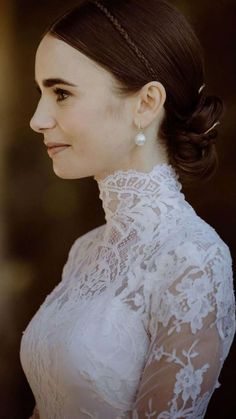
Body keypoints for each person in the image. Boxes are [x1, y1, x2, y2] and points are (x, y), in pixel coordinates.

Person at [20, 0, 236, 418]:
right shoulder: (86, 250)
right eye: (40, 93)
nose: (37, 119)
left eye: (61, 93)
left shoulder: (193, 259)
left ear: (146, 103)